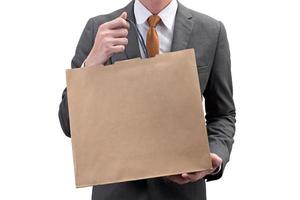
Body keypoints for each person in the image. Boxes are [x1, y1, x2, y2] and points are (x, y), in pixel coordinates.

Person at [58, 0, 236, 199]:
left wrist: (213, 156)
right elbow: (68, 125)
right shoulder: (99, 29)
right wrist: (90, 66)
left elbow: (222, 114)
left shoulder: (211, 31)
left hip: (183, 193)